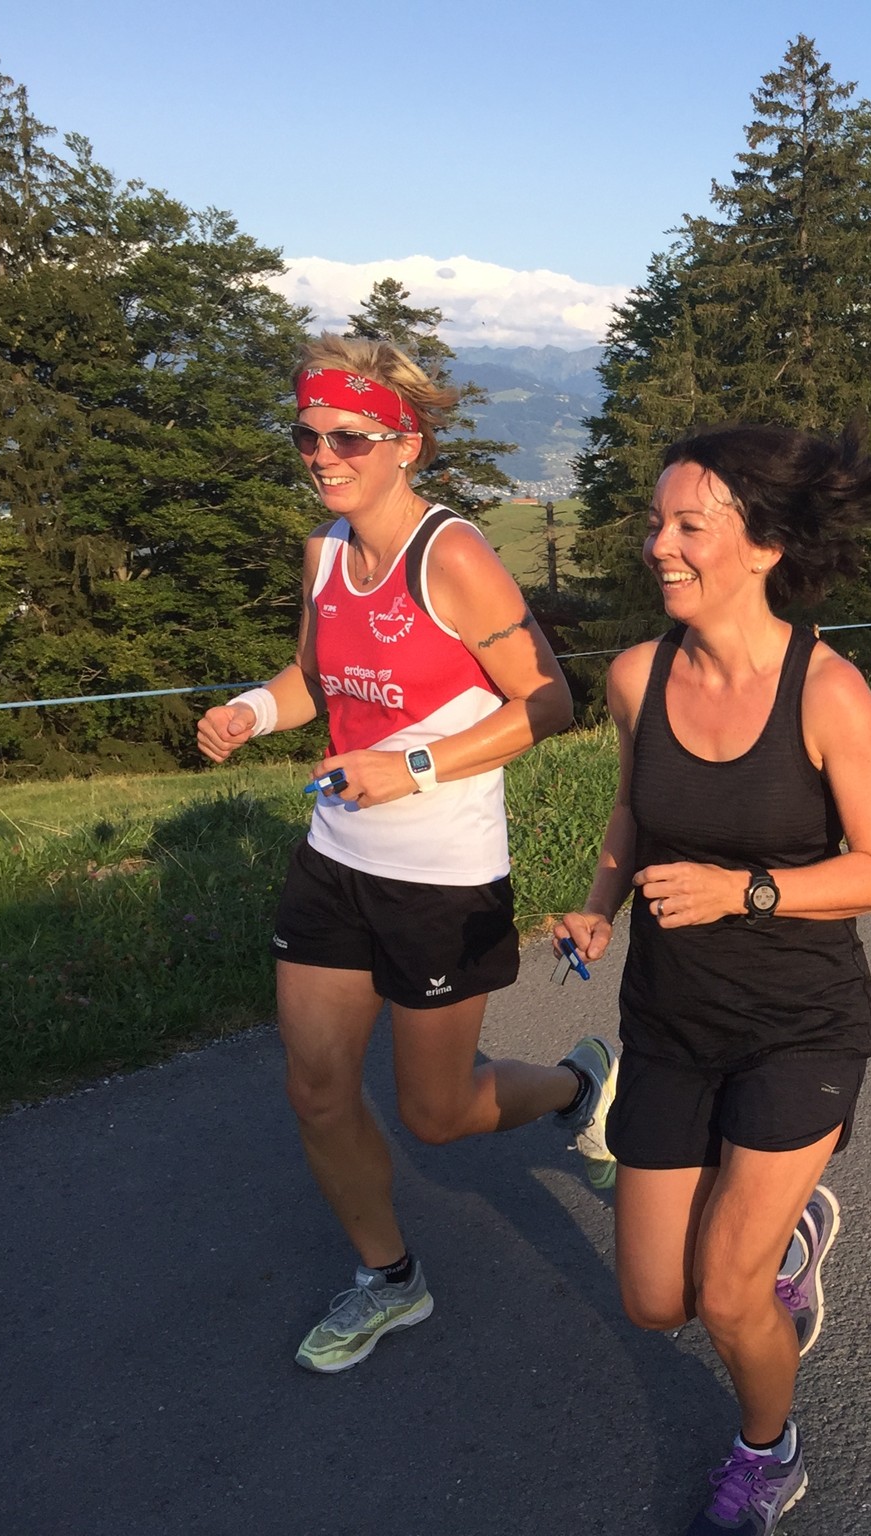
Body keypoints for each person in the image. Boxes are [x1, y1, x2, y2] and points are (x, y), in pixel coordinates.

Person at [196, 335, 617, 1373]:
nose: (322, 455)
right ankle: (390, 1280)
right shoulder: (324, 553)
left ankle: (578, 1089)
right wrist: (251, 711)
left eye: (348, 437)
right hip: (334, 857)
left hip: (440, 880)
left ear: (405, 444)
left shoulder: (453, 557)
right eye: (308, 435)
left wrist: (413, 766)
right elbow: (315, 679)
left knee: (437, 1112)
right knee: (316, 1088)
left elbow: (550, 702)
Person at [553, 424, 871, 1536]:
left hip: (798, 1027)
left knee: (725, 1297)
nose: (658, 546)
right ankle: (788, 1236)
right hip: (669, 1023)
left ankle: (768, 1452)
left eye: (688, 526)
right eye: (654, 523)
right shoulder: (637, 676)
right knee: (651, 1299)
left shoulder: (827, 692)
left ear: (762, 546)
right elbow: (632, 809)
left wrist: (742, 891)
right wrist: (600, 903)